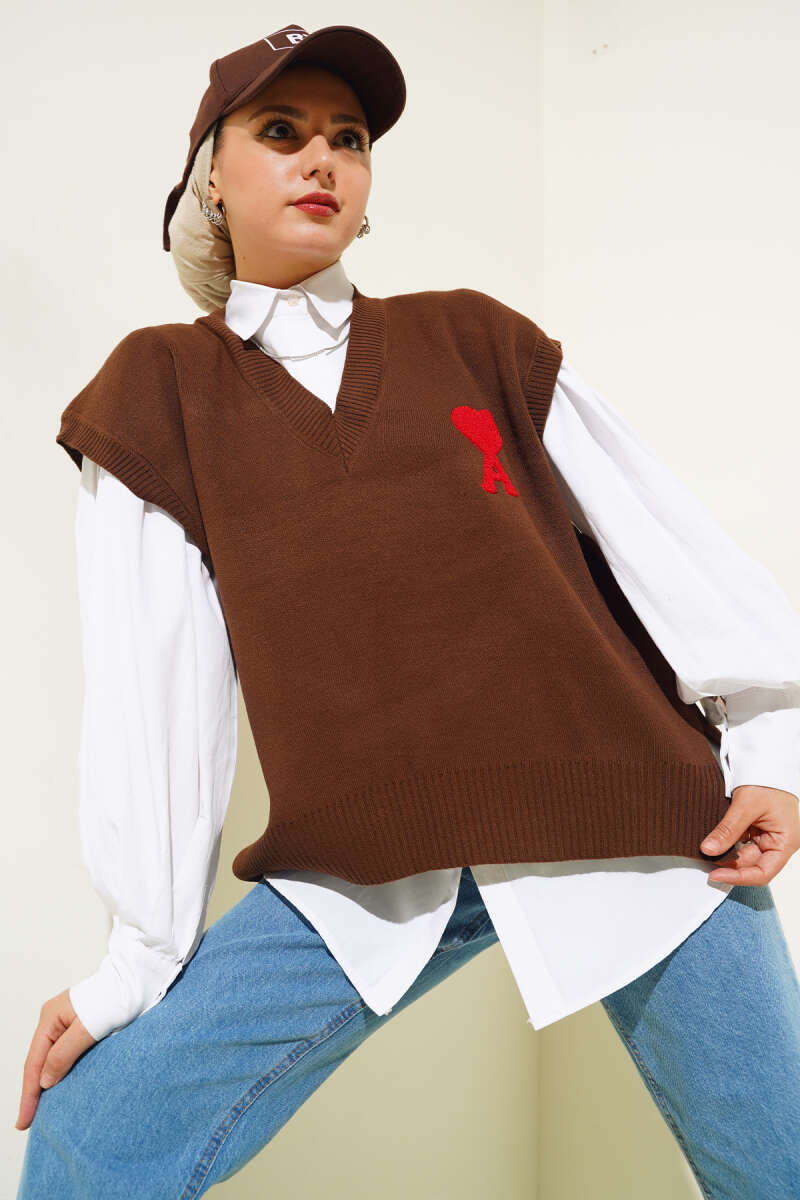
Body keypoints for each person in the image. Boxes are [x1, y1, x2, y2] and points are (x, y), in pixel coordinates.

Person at [16, 23, 800, 1199]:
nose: (321, 159)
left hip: (640, 832)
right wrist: (136, 963)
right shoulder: (160, 391)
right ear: (209, 178)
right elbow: (157, 695)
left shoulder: (473, 340)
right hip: (366, 870)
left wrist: (767, 746)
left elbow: (663, 542)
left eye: (348, 139)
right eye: (280, 132)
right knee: (92, 1140)